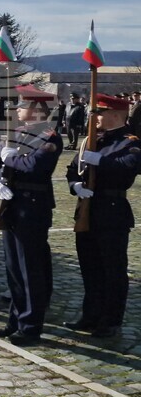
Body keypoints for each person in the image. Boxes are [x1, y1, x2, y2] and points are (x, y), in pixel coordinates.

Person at [0, 84, 63, 345]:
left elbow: (35, 166)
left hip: (33, 207)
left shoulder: (49, 137)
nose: (17, 109)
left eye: (22, 105)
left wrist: (9, 159)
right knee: (14, 268)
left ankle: (30, 326)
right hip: (11, 204)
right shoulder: (15, 133)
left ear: (37, 109)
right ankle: (15, 320)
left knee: (30, 269)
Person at [64, 93, 141, 339]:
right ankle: (90, 315)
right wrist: (75, 185)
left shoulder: (129, 142)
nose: (94, 117)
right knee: (90, 267)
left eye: (99, 112)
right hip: (87, 208)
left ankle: (110, 321)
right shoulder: (92, 139)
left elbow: (128, 167)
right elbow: (72, 169)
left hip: (111, 211)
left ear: (115, 115)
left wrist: (100, 161)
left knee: (113, 270)